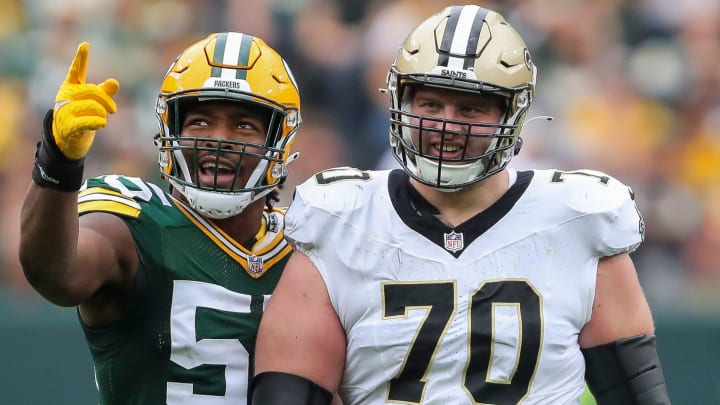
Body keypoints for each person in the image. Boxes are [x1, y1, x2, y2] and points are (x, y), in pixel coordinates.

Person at [251, 5, 670, 405]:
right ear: (402, 103)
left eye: (470, 108)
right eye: (430, 104)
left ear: (512, 113)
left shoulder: (579, 218)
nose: (446, 125)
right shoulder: (339, 218)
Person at [19, 32, 301, 404]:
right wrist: (58, 161)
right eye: (199, 121)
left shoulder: (307, 241)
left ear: (279, 142)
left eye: (244, 126)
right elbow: (53, 272)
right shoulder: (133, 224)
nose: (219, 139)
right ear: (170, 129)